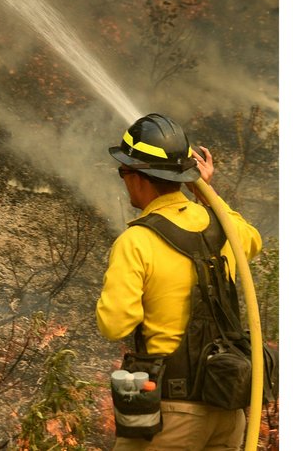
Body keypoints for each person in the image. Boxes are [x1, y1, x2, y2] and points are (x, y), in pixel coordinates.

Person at [97, 113, 262, 450]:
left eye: (123, 171)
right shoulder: (223, 228)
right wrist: (207, 193)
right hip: (228, 414)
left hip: (170, 415)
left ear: (138, 177)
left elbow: (114, 324)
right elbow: (253, 241)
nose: (123, 180)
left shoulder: (137, 241)